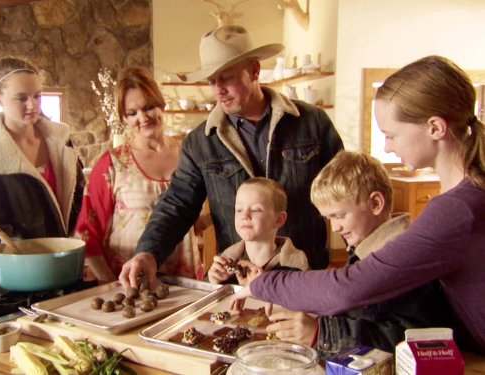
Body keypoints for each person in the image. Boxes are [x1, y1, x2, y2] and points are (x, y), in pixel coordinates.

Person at [231, 55, 485, 354]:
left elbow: (348, 288)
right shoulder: (466, 195)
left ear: (435, 128)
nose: (388, 146)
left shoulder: (458, 209)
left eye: (391, 135)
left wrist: (263, 285)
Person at [119, 24, 344, 289]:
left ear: (255, 70)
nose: (217, 91)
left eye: (226, 78)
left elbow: (346, 196)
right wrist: (148, 251)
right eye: (212, 81)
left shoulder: (311, 123)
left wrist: (358, 260)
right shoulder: (200, 142)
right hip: (238, 282)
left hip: (306, 279)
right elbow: (177, 205)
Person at [262, 151, 452, 357]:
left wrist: (322, 333)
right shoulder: (365, 248)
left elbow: (411, 341)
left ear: (375, 204)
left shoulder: (402, 260)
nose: (335, 227)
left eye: (340, 215)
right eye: (329, 218)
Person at [75, 66, 202, 282]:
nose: (142, 118)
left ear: (161, 105)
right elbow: (87, 234)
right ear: (123, 119)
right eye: (132, 113)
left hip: (185, 283)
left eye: (148, 107)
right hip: (129, 287)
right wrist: (110, 284)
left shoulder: (189, 156)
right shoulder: (112, 165)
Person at [0, 56, 84, 244]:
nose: (32, 105)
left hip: (70, 255)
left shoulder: (62, 140)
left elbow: (80, 197)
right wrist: (34, 255)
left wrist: (77, 240)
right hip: (20, 262)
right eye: (21, 98)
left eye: (37, 96)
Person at [207, 177, 308, 285]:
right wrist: (214, 281)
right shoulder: (227, 258)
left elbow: (301, 299)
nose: (244, 216)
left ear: (279, 220)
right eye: (239, 210)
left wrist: (261, 287)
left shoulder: (296, 264)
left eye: (255, 210)